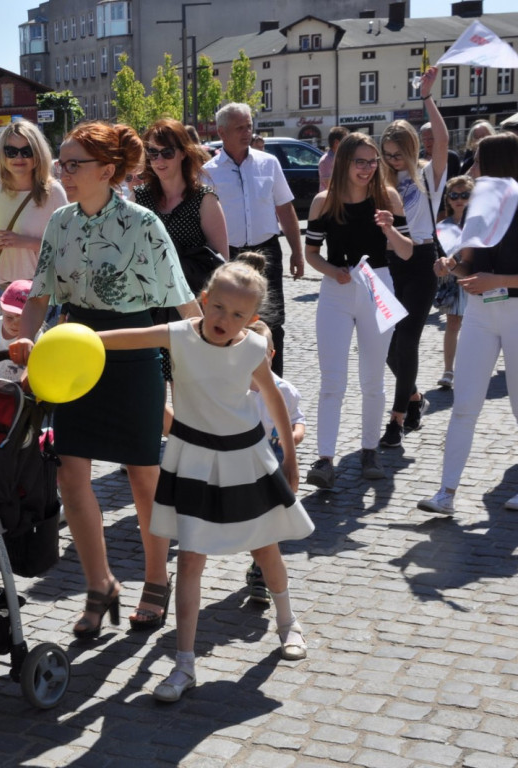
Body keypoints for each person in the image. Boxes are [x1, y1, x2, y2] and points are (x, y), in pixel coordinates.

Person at [9, 121, 202, 636]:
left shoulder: (143, 224)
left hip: (136, 352)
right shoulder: (61, 223)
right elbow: (39, 296)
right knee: (71, 474)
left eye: (74, 164)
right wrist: (26, 340)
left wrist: (221, 347)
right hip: (73, 354)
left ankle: (155, 581)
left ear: (109, 171)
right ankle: (101, 585)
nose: (63, 174)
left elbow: (183, 299)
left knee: (144, 475)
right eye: (63, 164)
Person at [98, 260, 314, 703]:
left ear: (253, 319)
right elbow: (115, 340)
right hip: (193, 459)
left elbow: (274, 401)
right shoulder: (177, 335)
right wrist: (64, 338)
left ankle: (289, 622)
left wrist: (290, 460)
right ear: (202, 300)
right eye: (218, 308)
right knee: (191, 561)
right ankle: (184, 664)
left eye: (238, 315)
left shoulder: (254, 347)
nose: (224, 320)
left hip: (245, 460)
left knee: (265, 546)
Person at [304, 133, 413, 489]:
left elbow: (408, 252)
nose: (367, 169)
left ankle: (369, 449)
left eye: (372, 162)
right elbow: (311, 254)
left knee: (373, 379)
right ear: (344, 162)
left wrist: (388, 228)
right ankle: (324, 458)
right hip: (337, 288)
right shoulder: (323, 202)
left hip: (378, 285)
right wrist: (331, 271)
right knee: (332, 379)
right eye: (360, 161)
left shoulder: (388, 197)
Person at [419, 133, 518, 516]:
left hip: (514, 311)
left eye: (477, 161)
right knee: (464, 404)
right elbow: (470, 265)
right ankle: (446, 492)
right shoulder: (480, 205)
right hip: (480, 313)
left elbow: (496, 276)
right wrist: (450, 266)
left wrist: (498, 281)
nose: (471, 169)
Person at [136, 118, 229, 434]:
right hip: (148, 303)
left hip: (189, 302)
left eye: (166, 152)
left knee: (185, 379)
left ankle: (189, 445)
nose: (159, 160)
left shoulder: (204, 199)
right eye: (152, 153)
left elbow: (223, 265)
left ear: (183, 153)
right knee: (150, 380)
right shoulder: (140, 199)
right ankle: (147, 446)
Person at [204, 102, 304, 377]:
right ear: (222, 132)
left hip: (267, 251)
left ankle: (275, 384)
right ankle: (235, 381)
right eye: (239, 127)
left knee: (273, 321)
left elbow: (285, 208)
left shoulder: (268, 163)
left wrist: (297, 251)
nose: (247, 132)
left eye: (249, 126)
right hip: (229, 256)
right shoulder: (208, 171)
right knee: (231, 321)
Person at [379, 67, 448, 448]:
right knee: (389, 348)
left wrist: (426, 97)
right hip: (389, 265)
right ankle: (416, 397)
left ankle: (398, 418)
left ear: (409, 149)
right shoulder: (383, 180)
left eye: (397, 154)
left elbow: (441, 138)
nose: (392, 160)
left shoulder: (428, 175)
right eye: (386, 155)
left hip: (421, 263)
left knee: (407, 342)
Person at [0, 119, 67, 309]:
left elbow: (68, 248)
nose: (19, 157)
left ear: (38, 154)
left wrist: (24, 242)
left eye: (26, 151)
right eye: (11, 151)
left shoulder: (53, 192)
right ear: (2, 155)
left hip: (40, 294)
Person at [243, 315, 307, 606]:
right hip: (243, 461)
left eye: (262, 355)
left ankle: (260, 572)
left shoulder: (284, 390)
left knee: (271, 516)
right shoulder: (235, 389)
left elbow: (298, 421)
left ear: (272, 354)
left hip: (275, 458)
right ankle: (260, 563)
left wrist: (293, 436)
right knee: (252, 517)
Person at [433, 175, 475, 390]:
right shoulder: (442, 225)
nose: (459, 199)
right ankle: (449, 370)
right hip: (452, 281)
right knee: (453, 323)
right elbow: (437, 252)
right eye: (454, 195)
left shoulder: (479, 223)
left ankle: (474, 369)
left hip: (476, 280)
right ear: (448, 199)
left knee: (478, 327)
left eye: (465, 195)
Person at [0, 279, 37, 382]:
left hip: (23, 391)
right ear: (1, 308)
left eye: (23, 319)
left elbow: (39, 363)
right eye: (9, 317)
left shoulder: (36, 335)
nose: (15, 324)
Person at [319, 126, 349, 193]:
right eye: (345, 141)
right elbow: (329, 184)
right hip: (330, 199)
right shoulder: (326, 160)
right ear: (336, 143)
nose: (348, 144)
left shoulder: (342, 157)